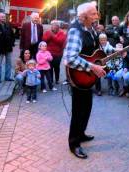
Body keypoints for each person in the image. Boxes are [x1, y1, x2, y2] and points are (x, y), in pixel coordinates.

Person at [62, 1, 106, 159]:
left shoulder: (91, 28)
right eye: (94, 14)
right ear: (84, 15)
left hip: (87, 77)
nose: (97, 16)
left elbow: (94, 52)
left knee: (86, 107)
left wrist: (114, 53)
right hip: (78, 77)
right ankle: (74, 143)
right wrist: (93, 67)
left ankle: (81, 133)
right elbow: (69, 58)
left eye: (96, 13)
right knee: (78, 110)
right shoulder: (76, 31)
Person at [0, 13, 15, 83]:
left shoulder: (8, 25)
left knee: (9, 63)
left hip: (8, 48)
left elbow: (13, 35)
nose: (3, 18)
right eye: (2, 17)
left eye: (4, 17)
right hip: (0, 48)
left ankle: (7, 77)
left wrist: (12, 43)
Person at [42, 20, 67, 85]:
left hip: (58, 54)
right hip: (49, 54)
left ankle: (57, 79)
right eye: (52, 27)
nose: (53, 28)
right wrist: (51, 35)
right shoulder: (48, 32)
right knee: (50, 67)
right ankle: (51, 80)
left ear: (58, 27)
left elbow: (60, 41)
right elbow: (44, 40)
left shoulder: (61, 33)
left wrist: (52, 36)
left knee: (56, 67)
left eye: (55, 27)